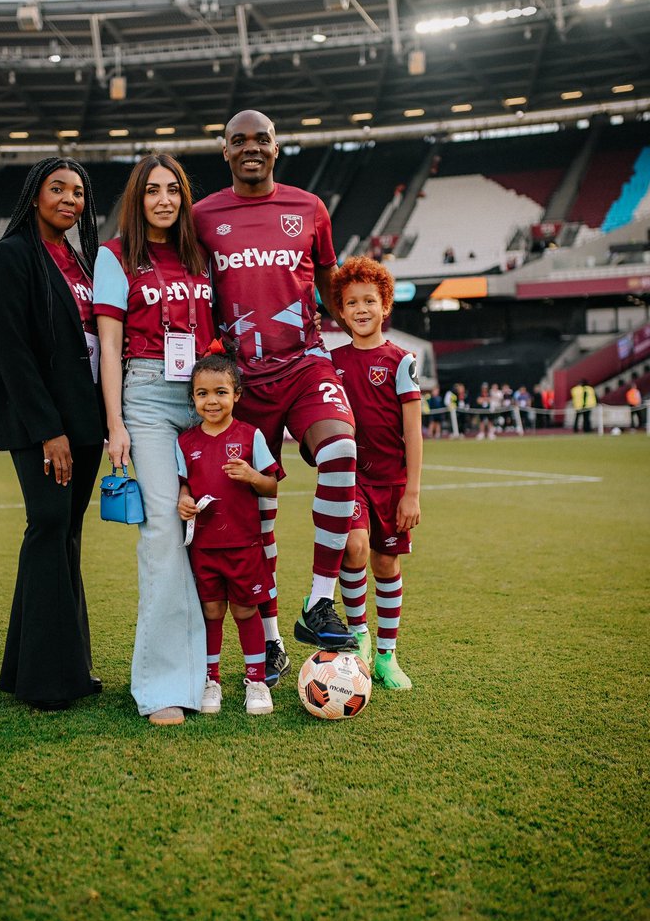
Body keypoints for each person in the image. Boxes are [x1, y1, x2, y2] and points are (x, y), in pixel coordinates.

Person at [193, 109, 358, 674]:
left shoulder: (309, 208)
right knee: (253, 515)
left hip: (305, 364)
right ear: (225, 151)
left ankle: (317, 600)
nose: (250, 149)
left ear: (277, 146)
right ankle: (269, 640)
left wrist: (364, 339)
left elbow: (334, 285)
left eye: (260, 139)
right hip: (241, 381)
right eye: (238, 141)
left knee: (340, 450)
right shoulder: (202, 216)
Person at [94, 153, 215, 726]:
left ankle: (211, 673)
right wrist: (114, 424)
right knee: (164, 534)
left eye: (174, 190)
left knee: (212, 531)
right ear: (137, 199)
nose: (164, 200)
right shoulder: (115, 256)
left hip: (204, 398)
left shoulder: (201, 257)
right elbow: (109, 348)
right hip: (145, 398)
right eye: (152, 191)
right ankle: (163, 688)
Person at [0, 157, 105, 712]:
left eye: (78, 192)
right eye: (58, 188)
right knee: (49, 526)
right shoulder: (10, 257)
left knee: (64, 535)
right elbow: (13, 352)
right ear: (35, 195)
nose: (70, 200)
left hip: (84, 422)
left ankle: (34, 669)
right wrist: (48, 430)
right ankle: (50, 682)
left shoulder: (80, 261)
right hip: (45, 426)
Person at [331, 257, 422, 689]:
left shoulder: (401, 361)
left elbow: (413, 433)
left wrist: (413, 493)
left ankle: (387, 655)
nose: (362, 309)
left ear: (385, 306)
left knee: (386, 566)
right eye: (352, 302)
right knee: (353, 547)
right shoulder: (331, 362)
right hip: (350, 479)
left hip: (393, 483)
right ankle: (359, 634)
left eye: (370, 300)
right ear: (342, 311)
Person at [176, 351, 282, 717]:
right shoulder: (186, 442)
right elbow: (184, 487)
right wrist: (184, 501)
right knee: (211, 610)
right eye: (202, 394)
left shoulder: (250, 436)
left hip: (244, 544)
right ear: (193, 398)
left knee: (245, 609)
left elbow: (272, 486)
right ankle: (211, 680)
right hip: (205, 546)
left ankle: (256, 681)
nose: (211, 401)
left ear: (237, 394)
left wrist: (252, 476)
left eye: (220, 392)